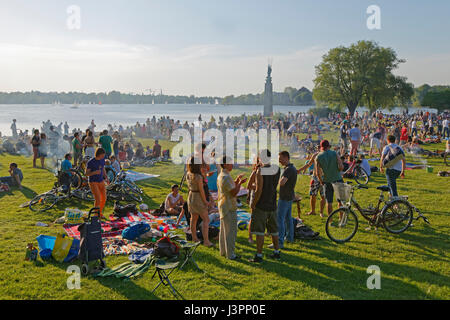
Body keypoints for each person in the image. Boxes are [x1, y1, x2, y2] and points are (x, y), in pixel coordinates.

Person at [249, 149, 281, 263]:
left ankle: (259, 255)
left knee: (259, 231)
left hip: (262, 204)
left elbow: (259, 190)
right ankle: (277, 252)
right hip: (272, 202)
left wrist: (253, 203)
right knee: (274, 230)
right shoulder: (277, 169)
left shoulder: (260, 171)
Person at [217, 156, 247, 260]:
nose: (232, 165)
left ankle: (223, 251)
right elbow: (233, 192)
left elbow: (229, 186)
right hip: (229, 206)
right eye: (230, 163)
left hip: (222, 204)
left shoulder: (222, 174)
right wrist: (239, 184)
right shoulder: (226, 176)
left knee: (223, 230)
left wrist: (238, 181)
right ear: (225, 164)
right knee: (231, 231)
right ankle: (231, 254)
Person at [186, 156, 214, 247]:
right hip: (198, 197)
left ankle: (194, 238)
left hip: (191, 196)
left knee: (193, 218)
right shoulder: (198, 177)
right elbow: (202, 191)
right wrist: (206, 202)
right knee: (206, 219)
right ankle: (206, 241)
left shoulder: (188, 174)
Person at [315, 140, 344, 217]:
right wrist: (337, 170)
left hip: (327, 181)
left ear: (321, 147)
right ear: (328, 146)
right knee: (340, 201)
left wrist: (321, 181)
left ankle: (330, 221)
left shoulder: (318, 156)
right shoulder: (334, 153)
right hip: (338, 178)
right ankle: (341, 218)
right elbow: (341, 167)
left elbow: (317, 173)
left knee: (329, 202)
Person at [276, 151, 297, 249]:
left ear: (286, 158)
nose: (279, 161)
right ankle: (289, 237)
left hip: (284, 197)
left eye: (280, 159)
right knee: (288, 218)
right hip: (289, 196)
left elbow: (282, 183)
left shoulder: (288, 169)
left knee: (280, 219)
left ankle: (280, 242)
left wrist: (278, 180)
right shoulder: (292, 168)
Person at [298, 152, 325, 217]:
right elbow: (308, 164)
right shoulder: (315, 155)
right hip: (315, 178)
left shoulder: (328, 155)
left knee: (323, 196)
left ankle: (321, 212)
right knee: (312, 195)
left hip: (324, 178)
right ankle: (313, 211)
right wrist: (300, 170)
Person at [85, 148, 109, 216]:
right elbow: (86, 173)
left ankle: (99, 213)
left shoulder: (102, 160)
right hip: (93, 182)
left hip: (101, 181)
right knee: (98, 199)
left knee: (104, 198)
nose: (103, 157)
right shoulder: (91, 162)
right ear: (99, 154)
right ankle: (96, 215)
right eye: (102, 155)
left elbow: (103, 168)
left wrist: (106, 177)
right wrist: (94, 172)